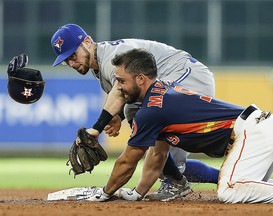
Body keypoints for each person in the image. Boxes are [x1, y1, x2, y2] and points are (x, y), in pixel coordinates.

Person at [84, 48, 273, 204]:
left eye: (121, 80)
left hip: (252, 133)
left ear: (140, 79)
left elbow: (128, 161)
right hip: (261, 128)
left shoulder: (151, 111)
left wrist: (104, 193)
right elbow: (157, 156)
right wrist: (138, 193)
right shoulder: (163, 88)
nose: (117, 87)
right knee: (251, 189)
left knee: (229, 190)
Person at [51, 24, 219, 201]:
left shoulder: (109, 59)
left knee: (152, 122)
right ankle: (222, 177)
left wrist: (97, 129)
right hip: (171, 80)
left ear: (87, 42)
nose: (71, 63)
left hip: (187, 75)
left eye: (73, 55)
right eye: (66, 60)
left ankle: (174, 182)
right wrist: (119, 116)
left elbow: (118, 92)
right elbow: (128, 95)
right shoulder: (99, 67)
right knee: (166, 166)